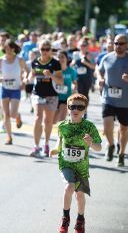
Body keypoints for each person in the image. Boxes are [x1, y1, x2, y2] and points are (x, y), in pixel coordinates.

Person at [50, 94, 102, 233]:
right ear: (68, 108)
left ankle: (80, 220)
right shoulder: (62, 126)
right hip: (66, 163)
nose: (76, 109)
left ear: (85, 109)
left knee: (79, 195)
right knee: (69, 187)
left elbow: (99, 147)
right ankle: (65, 219)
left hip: (81, 166)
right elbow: (60, 142)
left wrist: (91, 143)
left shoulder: (89, 127)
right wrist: (56, 150)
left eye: (80, 107)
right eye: (73, 106)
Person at [29, 39, 63, 157]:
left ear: (50, 50)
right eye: (42, 49)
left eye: (47, 49)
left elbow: (60, 81)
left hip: (52, 95)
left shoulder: (55, 63)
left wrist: (51, 75)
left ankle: (46, 143)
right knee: (37, 118)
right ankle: (36, 146)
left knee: (48, 121)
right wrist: (28, 77)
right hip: (37, 93)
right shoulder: (35, 62)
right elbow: (31, 74)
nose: (44, 51)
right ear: (39, 49)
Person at [98, 34, 128, 166]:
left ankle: (121, 154)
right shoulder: (107, 57)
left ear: (126, 45)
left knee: (123, 130)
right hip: (108, 98)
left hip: (125, 102)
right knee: (107, 125)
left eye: (121, 44)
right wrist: (100, 79)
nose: (118, 46)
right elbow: (99, 71)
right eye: (116, 43)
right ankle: (110, 145)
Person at [0, 40, 27, 144]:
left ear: (14, 49)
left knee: (12, 114)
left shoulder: (19, 60)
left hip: (16, 89)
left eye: (10, 48)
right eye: (6, 48)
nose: (8, 50)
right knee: (6, 114)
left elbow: (26, 71)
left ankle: (17, 116)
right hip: (4, 89)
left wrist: (24, 80)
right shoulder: (0, 60)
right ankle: (9, 136)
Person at [54, 51, 78, 123]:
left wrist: (74, 88)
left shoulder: (71, 71)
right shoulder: (54, 70)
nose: (60, 59)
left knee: (62, 120)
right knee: (53, 121)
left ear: (67, 59)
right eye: (58, 57)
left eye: (62, 57)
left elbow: (75, 83)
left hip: (66, 97)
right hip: (54, 97)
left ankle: (62, 134)